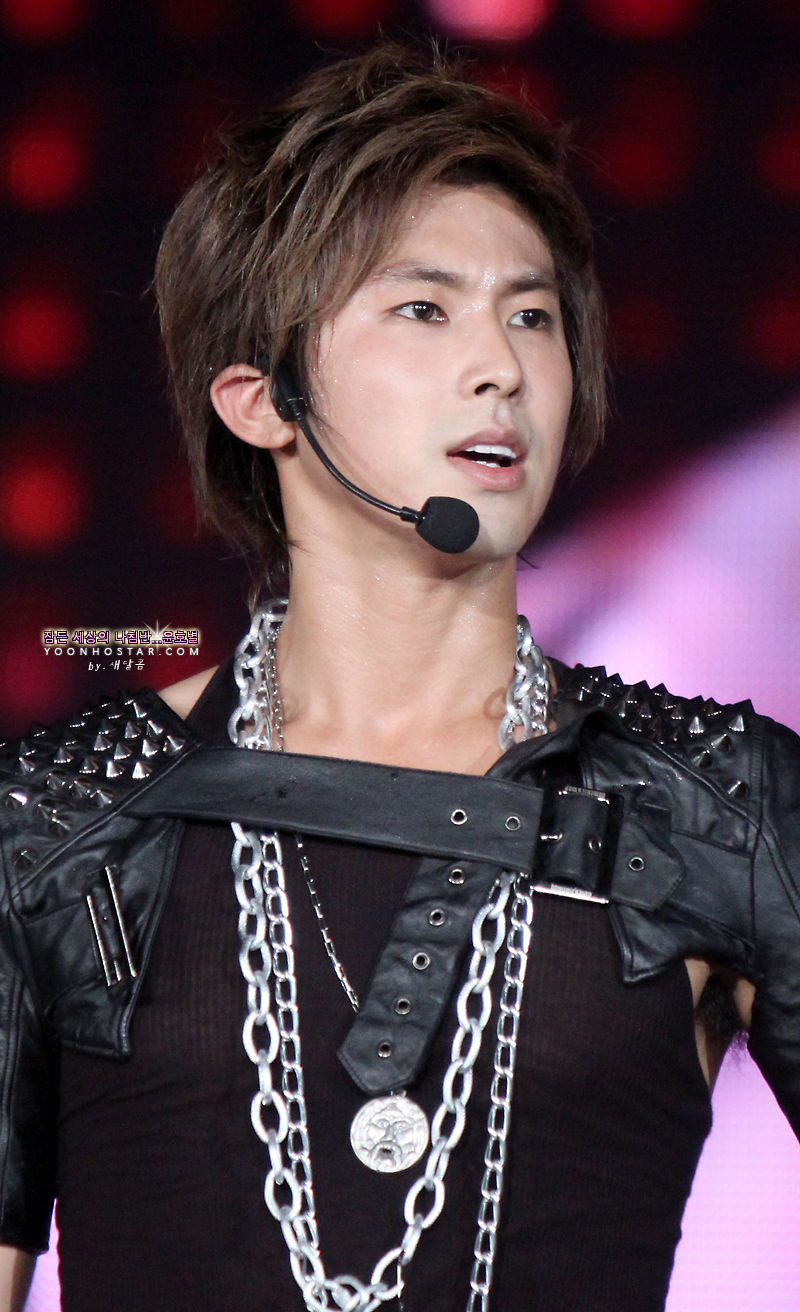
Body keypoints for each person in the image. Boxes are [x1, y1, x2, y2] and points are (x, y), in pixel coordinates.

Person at [0, 42, 798, 1312]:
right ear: (261, 401)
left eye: (530, 315)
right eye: (423, 308)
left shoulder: (717, 802)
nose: (502, 366)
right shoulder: (58, 816)